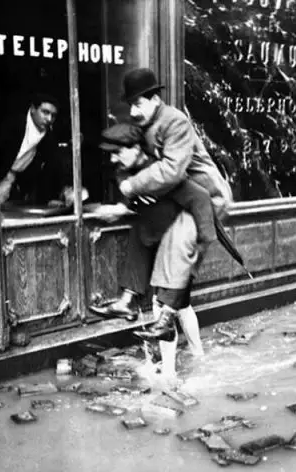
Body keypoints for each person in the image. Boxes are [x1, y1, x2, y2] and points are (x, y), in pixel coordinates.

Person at [91, 68, 232, 378]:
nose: (132, 111)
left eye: (137, 104)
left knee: (167, 286)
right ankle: (196, 356)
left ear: (155, 99)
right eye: (130, 105)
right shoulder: (149, 123)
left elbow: (171, 171)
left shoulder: (175, 121)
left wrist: (130, 187)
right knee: (176, 296)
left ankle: (168, 375)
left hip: (204, 200)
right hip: (179, 203)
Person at [0, 93, 73, 206]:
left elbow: (52, 168)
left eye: (53, 115)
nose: (49, 119)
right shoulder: (13, 124)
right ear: (33, 109)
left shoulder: (49, 139)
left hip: (18, 187)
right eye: (45, 112)